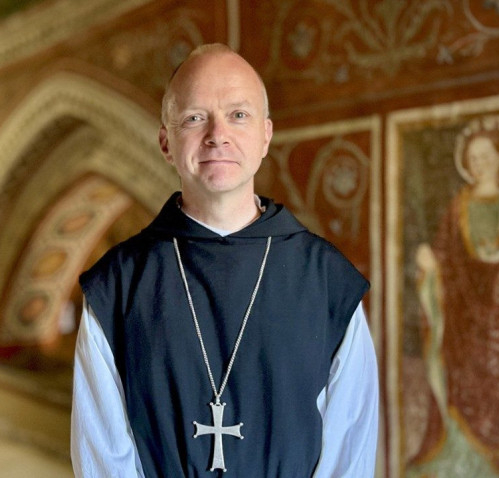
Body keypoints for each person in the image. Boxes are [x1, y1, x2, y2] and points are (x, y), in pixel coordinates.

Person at [71, 43, 378, 477]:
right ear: (166, 142)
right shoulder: (116, 287)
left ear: (266, 136)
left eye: (238, 115)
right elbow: (102, 459)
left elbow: (349, 450)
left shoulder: (327, 281)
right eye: (195, 118)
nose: (218, 134)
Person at [410, 115, 499, 477]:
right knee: (463, 381)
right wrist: (429, 261)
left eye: (486, 156)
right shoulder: (459, 205)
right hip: (463, 311)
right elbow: (445, 249)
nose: (480, 163)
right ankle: (460, 459)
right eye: (474, 158)